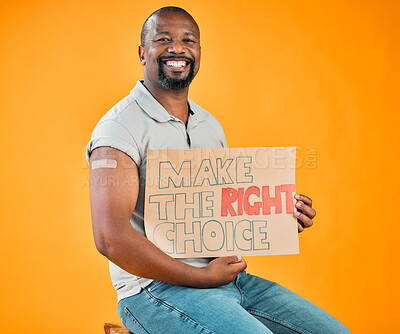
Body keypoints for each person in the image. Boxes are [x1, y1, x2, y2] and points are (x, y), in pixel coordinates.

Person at [86, 6, 351, 334]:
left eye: (189, 40)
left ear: (198, 52)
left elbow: (220, 210)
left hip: (230, 280)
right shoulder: (119, 128)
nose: (178, 48)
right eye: (163, 39)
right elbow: (110, 238)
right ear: (143, 53)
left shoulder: (209, 125)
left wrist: (276, 217)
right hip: (154, 291)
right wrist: (198, 277)